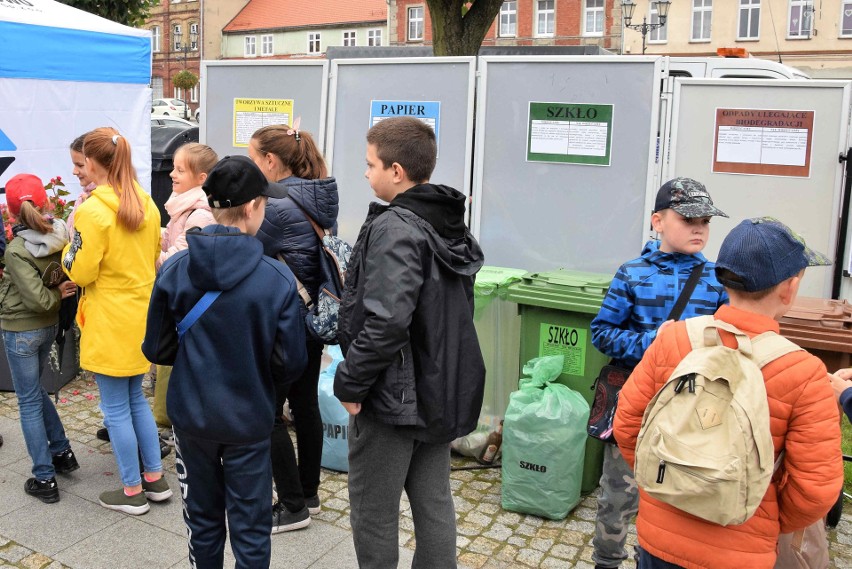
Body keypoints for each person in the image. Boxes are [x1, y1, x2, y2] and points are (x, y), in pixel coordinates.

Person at [614, 217, 843, 569]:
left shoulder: (674, 340)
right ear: (789, 288)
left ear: (723, 276)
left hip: (658, 539)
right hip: (740, 552)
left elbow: (629, 426)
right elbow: (815, 489)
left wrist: (669, 484)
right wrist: (765, 520)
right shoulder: (803, 372)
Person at [333, 116, 486, 568]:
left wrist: (350, 382)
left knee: (375, 512)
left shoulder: (396, 227)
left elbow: (385, 321)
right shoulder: (446, 222)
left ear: (396, 171)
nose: (365, 173)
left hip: (393, 395)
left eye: (370, 164)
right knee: (433, 503)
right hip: (436, 387)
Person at [142, 155, 307, 569]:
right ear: (252, 208)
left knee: (202, 519)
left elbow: (157, 349)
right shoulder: (277, 278)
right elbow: (290, 363)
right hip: (249, 418)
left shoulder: (176, 267)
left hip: (192, 416)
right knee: (251, 527)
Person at [589, 177, 729, 569]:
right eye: (688, 218)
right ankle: (607, 561)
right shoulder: (633, 273)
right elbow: (602, 333)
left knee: (680, 495)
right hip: (638, 400)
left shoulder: (718, 280)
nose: (699, 227)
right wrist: (654, 341)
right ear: (658, 221)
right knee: (618, 492)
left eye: (705, 220)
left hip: (692, 408)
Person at [62, 127, 171, 515]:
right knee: (135, 401)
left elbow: (81, 271)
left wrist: (67, 250)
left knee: (116, 408)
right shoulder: (145, 201)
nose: (77, 170)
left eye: (80, 163)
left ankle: (130, 489)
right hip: (140, 315)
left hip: (108, 318)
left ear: (93, 162)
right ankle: (154, 479)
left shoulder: (93, 211)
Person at [249, 122, 338, 531]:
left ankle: (291, 506)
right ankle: (309, 493)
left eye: (254, 159)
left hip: (286, 322)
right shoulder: (317, 196)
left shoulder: (279, 205)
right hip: (312, 319)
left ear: (270, 160)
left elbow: (249, 251)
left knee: (266, 413)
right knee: (304, 407)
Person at [1, 173, 79, 503]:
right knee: (35, 392)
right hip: (48, 327)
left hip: (21, 329)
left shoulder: (17, 250)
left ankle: (44, 477)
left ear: (11, 212)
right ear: (46, 203)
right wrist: (59, 293)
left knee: (29, 400)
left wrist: (56, 294)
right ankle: (61, 452)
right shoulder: (59, 234)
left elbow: (37, 298)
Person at [151, 142, 217, 446]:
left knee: (176, 366)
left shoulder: (199, 214)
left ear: (201, 178)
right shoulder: (180, 205)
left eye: (180, 170)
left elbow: (179, 258)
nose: (173, 175)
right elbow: (169, 239)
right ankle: (168, 421)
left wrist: (146, 256)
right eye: (174, 168)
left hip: (188, 303)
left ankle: (174, 427)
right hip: (178, 298)